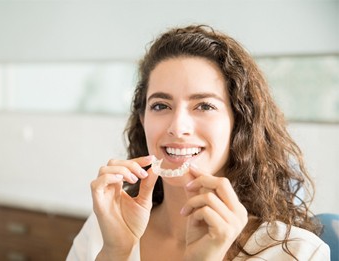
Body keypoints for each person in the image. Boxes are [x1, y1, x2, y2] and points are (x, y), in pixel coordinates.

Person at [67, 25, 330, 260]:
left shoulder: (297, 252)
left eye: (204, 105)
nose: (177, 127)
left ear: (239, 123)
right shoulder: (105, 229)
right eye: (160, 105)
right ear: (142, 119)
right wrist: (115, 254)